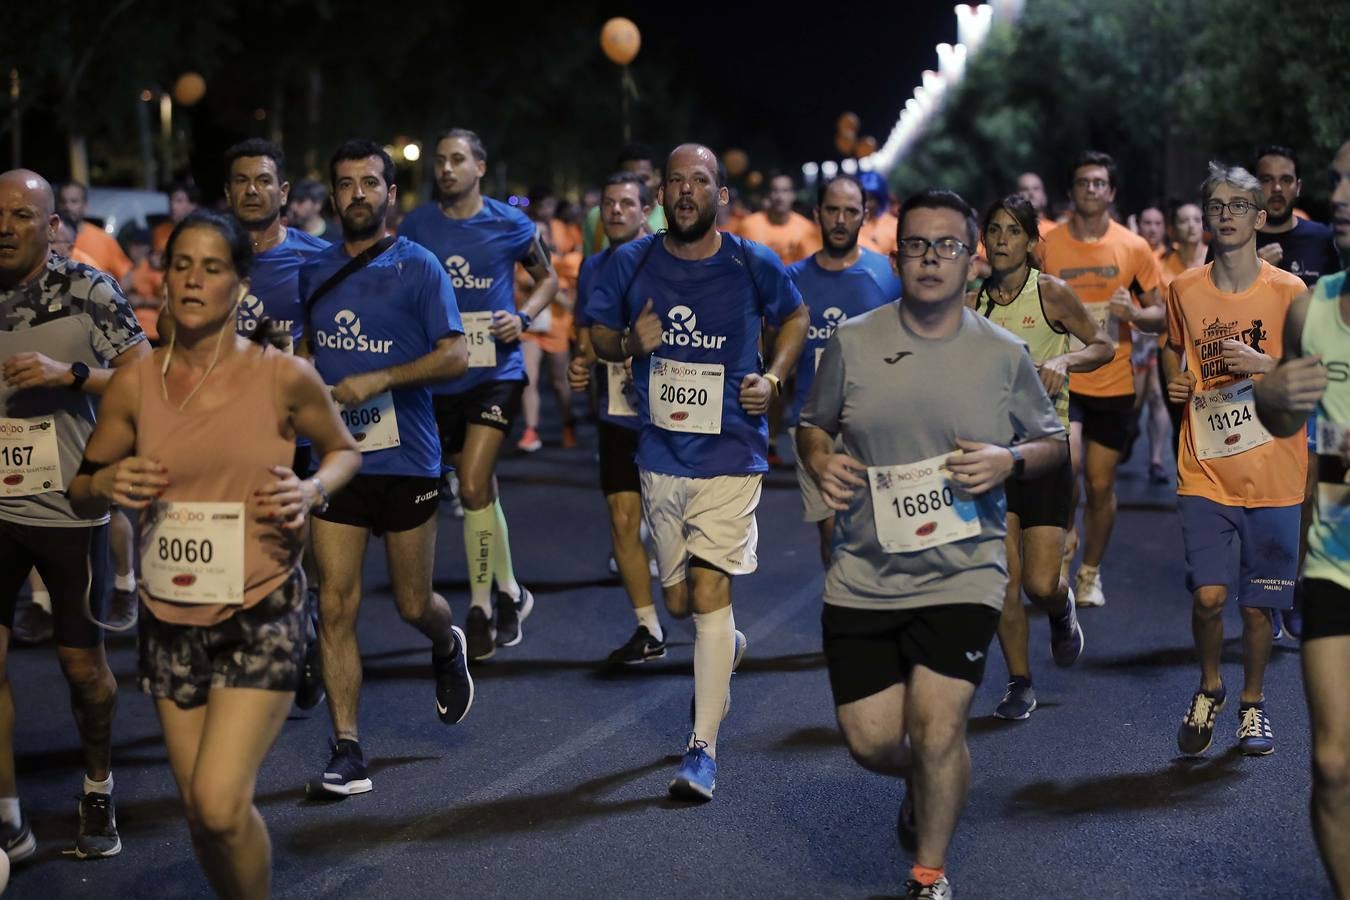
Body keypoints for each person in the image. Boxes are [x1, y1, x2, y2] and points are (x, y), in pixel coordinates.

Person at [68, 208, 360, 898]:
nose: (194, 280)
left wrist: (312, 486)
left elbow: (345, 450)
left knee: (223, 802)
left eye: (213, 267)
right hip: (168, 617)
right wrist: (108, 481)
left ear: (240, 284)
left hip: (261, 607)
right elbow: (81, 490)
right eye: (181, 265)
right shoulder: (136, 383)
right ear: (163, 277)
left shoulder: (282, 376)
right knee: (202, 816)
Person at [798, 188, 1067, 900]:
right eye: (917, 244)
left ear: (970, 258)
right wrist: (821, 458)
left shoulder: (1003, 353)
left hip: (965, 569)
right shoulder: (852, 341)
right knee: (873, 741)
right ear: (898, 254)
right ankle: (922, 775)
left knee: (940, 727)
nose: (930, 258)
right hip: (864, 571)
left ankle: (929, 875)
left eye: (946, 245)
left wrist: (1010, 461)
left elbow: (1052, 442)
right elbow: (812, 424)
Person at [587, 143, 809, 800]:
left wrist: (773, 377)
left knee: (711, 596)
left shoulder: (750, 261)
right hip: (659, 455)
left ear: (721, 197)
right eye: (676, 181)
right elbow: (596, 331)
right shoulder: (632, 260)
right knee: (680, 601)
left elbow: (794, 316)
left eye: (700, 181)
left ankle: (702, 749)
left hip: (732, 454)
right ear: (662, 195)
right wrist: (629, 343)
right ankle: (724, 644)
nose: (687, 191)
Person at [300, 140, 474, 795]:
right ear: (333, 195)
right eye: (345, 185)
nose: (357, 195)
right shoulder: (314, 270)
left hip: (407, 457)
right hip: (338, 462)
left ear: (389, 193)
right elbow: (306, 352)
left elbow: (455, 356)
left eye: (369, 183)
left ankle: (444, 640)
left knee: (410, 603)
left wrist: (381, 378)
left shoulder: (420, 266)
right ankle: (347, 748)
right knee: (335, 604)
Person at [0, 168, 150, 862]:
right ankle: (9, 816)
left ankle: (97, 786)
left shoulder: (88, 289)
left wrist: (71, 377)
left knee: (82, 669)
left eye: (22, 215)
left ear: (53, 225)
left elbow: (148, 381)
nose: (5, 226)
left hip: (70, 511)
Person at [1162, 162, 1307, 757]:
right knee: (1209, 597)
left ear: (1259, 216)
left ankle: (1252, 702)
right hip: (1205, 466)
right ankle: (1209, 686)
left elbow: (1316, 372)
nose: (1225, 215)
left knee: (1256, 609)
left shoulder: (1289, 293)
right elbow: (1176, 349)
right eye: (1216, 205)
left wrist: (1261, 366)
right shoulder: (1183, 290)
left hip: (1275, 470)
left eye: (1237, 206)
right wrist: (1176, 378)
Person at [400, 129, 555, 661]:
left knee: (469, 485)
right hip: (441, 375)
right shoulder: (416, 224)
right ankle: (513, 590)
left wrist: (526, 316)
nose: (446, 169)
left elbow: (548, 279)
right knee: (480, 488)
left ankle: (481, 605)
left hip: (496, 370)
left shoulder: (510, 223)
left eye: (457, 160)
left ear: (480, 167)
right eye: (440, 161)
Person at [971, 194, 1113, 720]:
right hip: (993, 453)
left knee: (1037, 583)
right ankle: (1018, 682)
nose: (1003, 240)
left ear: (1033, 243)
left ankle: (1060, 605)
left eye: (1014, 231)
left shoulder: (1050, 294)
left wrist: (1066, 362)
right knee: (1004, 578)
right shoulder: (972, 303)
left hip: (1047, 452)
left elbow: (1105, 346)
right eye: (995, 229)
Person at [1254, 137, 1350, 900]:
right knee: (1330, 764)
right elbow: (1282, 418)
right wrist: (1273, 400)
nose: (1342, 193)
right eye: (1342, 177)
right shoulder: (1313, 307)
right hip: (1335, 558)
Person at [223, 138, 332, 710]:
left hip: (294, 430)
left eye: (263, 180)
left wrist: (294, 363)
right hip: (223, 432)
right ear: (227, 192)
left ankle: (308, 623)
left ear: (283, 192)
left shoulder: (316, 257)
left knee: (298, 543)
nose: (252, 190)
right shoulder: (209, 256)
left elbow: (332, 341)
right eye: (241, 180)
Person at [1040, 151, 1166, 607]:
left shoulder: (1132, 247)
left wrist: (1133, 313)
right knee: (1065, 470)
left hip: (1113, 380)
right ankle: (1065, 538)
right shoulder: (1049, 245)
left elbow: (1160, 314)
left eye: (1098, 183)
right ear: (1071, 192)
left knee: (1099, 484)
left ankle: (1089, 572)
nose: (1090, 190)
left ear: (1111, 192)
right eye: (1082, 182)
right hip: (1064, 377)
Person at [569, 172, 665, 663]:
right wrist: (581, 364)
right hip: (616, 413)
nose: (616, 212)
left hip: (673, 414)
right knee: (622, 518)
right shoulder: (592, 267)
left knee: (676, 527)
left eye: (628, 204)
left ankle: (706, 612)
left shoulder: (668, 260)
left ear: (647, 209)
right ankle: (647, 627)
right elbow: (586, 333)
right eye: (608, 204)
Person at [786, 174, 900, 565]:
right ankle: (843, 613)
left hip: (874, 419)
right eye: (832, 210)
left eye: (850, 211)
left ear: (864, 216)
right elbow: (772, 348)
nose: (839, 219)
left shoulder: (887, 276)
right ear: (817, 213)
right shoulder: (792, 280)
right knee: (832, 532)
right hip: (812, 422)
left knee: (877, 528)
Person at [518, 188, 578, 453]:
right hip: (529, 323)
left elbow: (569, 284)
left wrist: (550, 287)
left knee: (559, 380)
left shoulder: (565, 244)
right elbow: (517, 280)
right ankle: (531, 431)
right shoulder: (522, 256)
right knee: (528, 378)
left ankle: (568, 422)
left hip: (557, 323)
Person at [1249, 145, 1340, 287]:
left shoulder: (1322, 238)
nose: (1277, 188)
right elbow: (1215, 303)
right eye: (1267, 180)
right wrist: (1249, 273)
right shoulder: (1232, 241)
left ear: (1298, 188)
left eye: (1286, 180)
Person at [581, 143, 667, 256]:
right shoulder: (595, 218)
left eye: (643, 178)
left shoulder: (670, 216)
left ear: (657, 177)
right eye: (628, 179)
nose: (636, 186)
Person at [734, 173, 821, 265]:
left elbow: (813, 269)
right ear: (768, 195)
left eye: (785, 191)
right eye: (775, 191)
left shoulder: (808, 229)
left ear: (793, 195)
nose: (780, 197)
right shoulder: (748, 225)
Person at [57, 180, 133, 283]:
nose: (67, 207)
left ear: (85, 205)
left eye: (74, 201)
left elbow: (126, 276)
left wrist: (110, 296)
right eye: (63, 201)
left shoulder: (104, 239)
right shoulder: (47, 237)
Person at [151, 181, 200, 256]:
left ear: (193, 206)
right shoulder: (159, 231)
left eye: (179, 201)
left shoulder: (202, 232)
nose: (172, 205)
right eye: (171, 200)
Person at [286, 180, 342, 244]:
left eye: (300, 201)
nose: (293, 207)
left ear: (317, 204)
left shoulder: (335, 239)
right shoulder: (286, 235)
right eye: (291, 201)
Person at [857, 171, 899, 256]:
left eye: (871, 199)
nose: (865, 204)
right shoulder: (845, 220)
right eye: (862, 198)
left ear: (879, 201)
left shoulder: (894, 226)